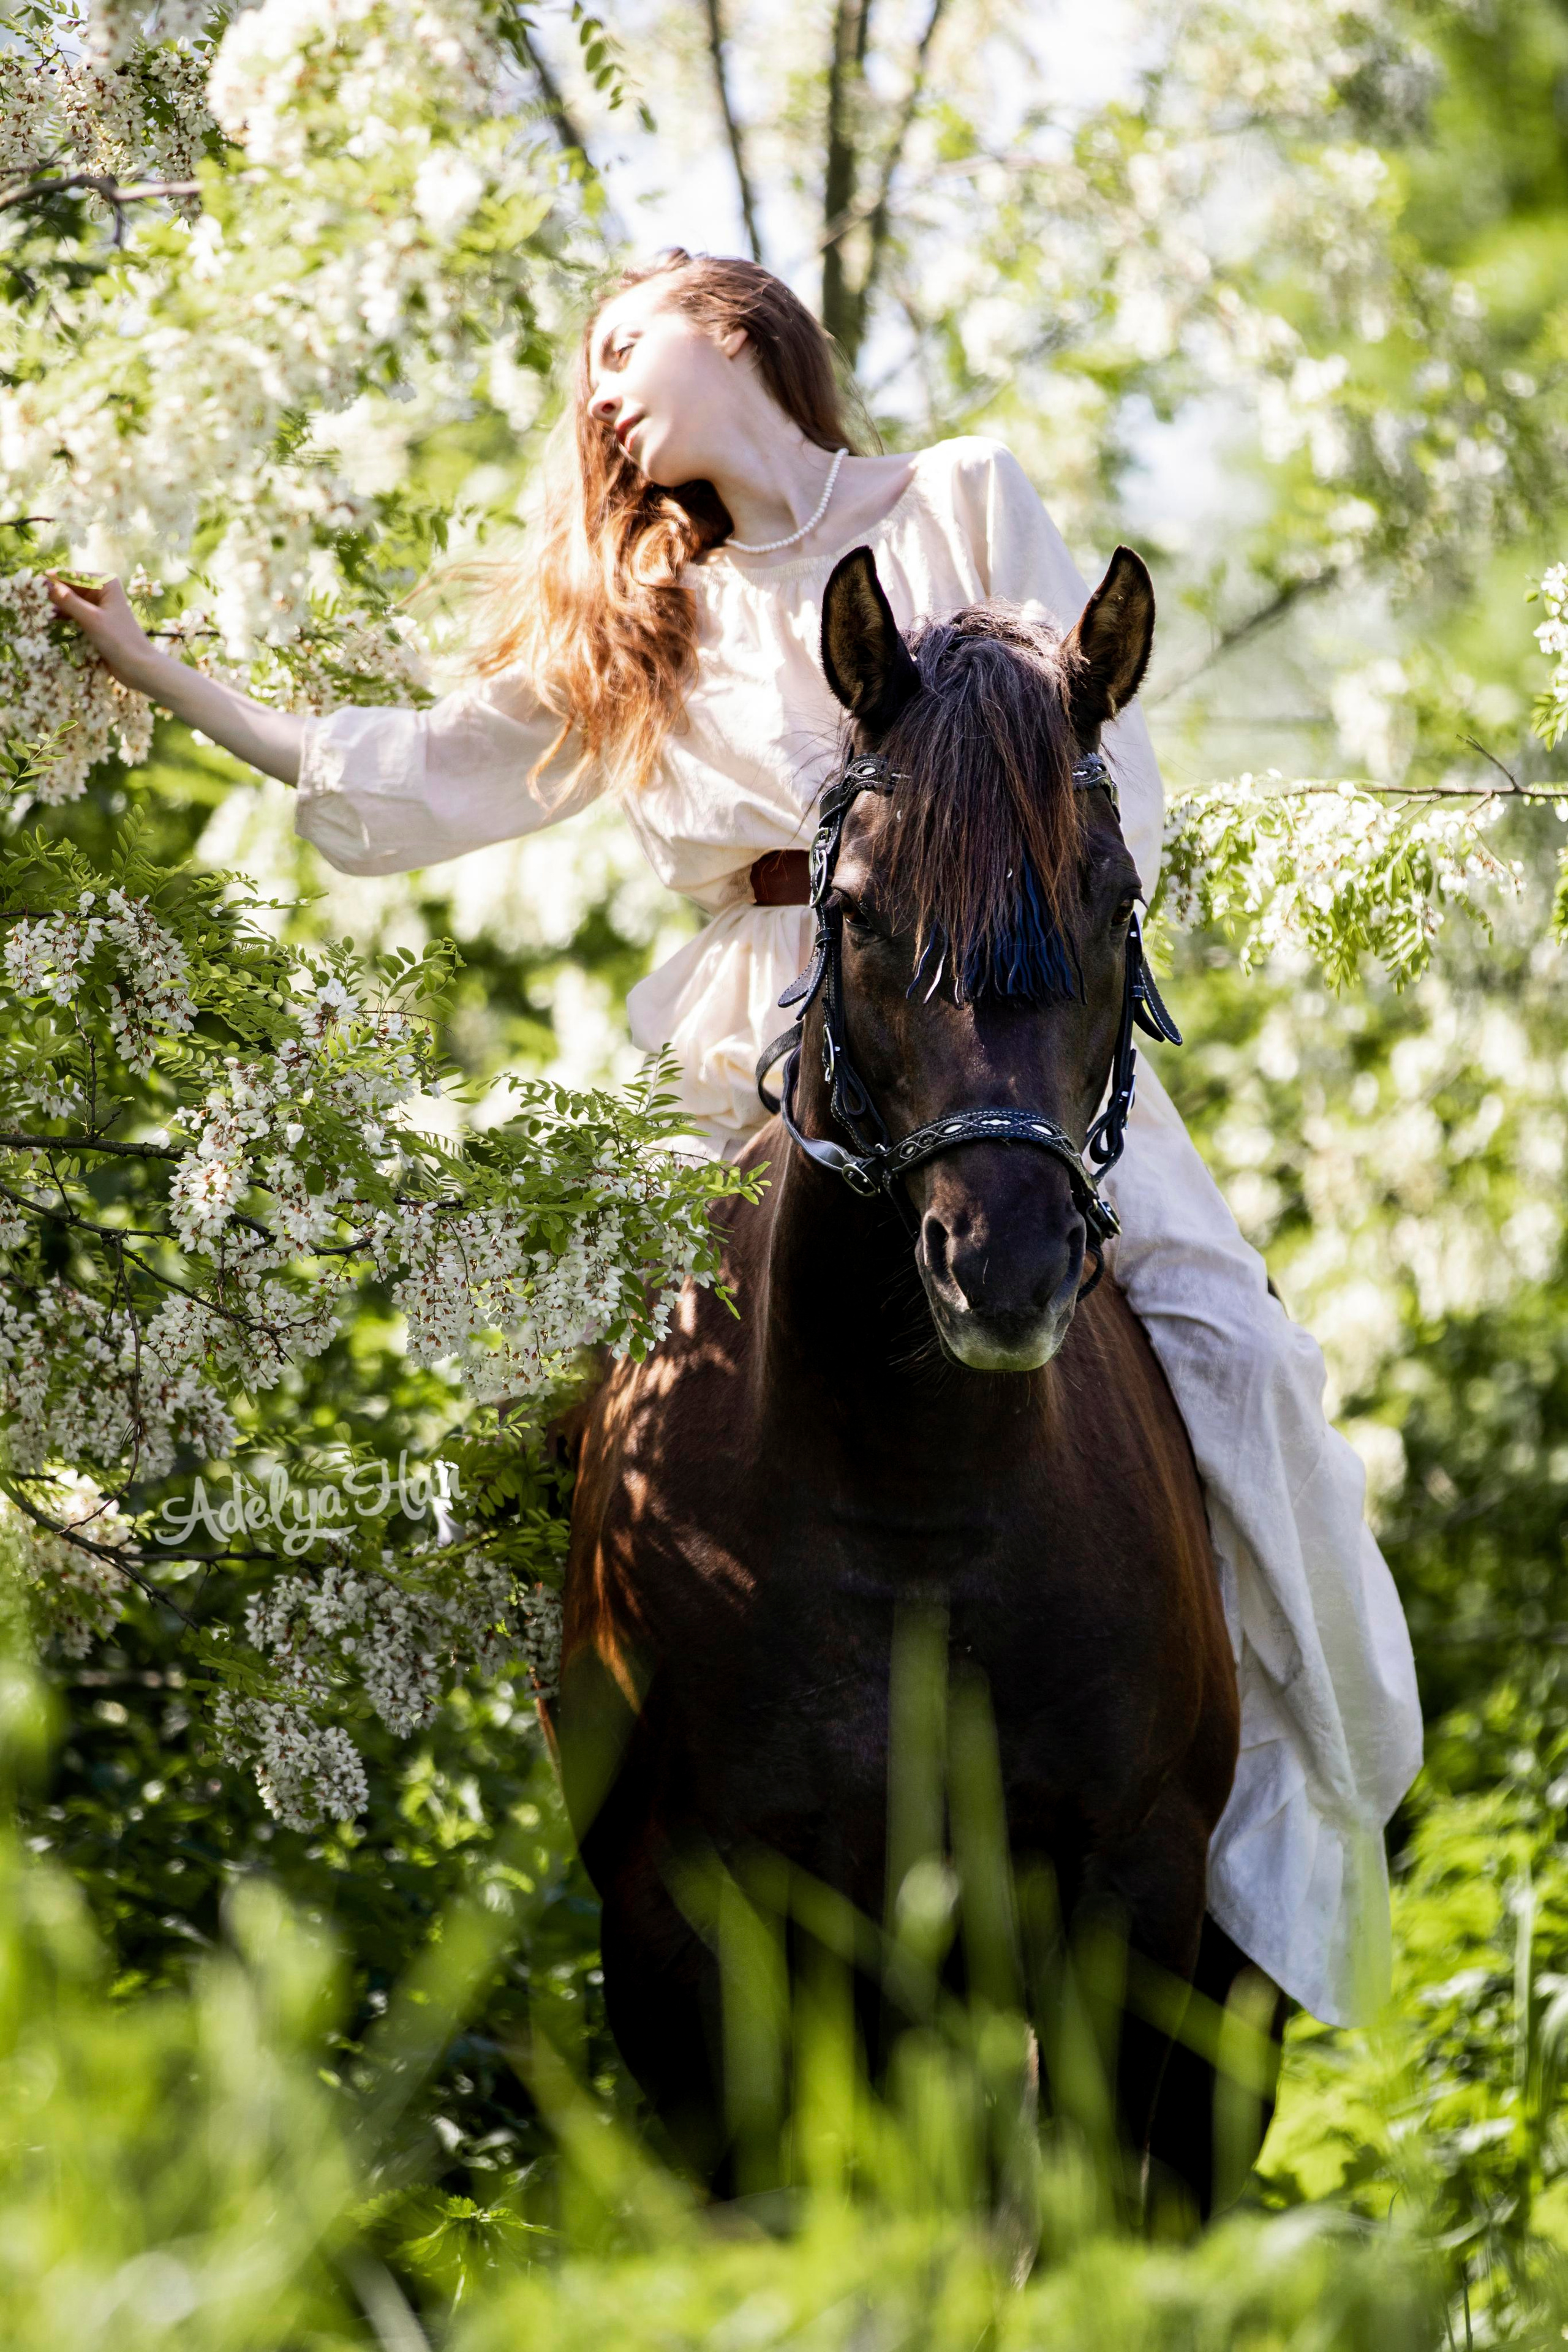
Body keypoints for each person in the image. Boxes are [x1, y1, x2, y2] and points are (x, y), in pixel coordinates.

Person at [47, 246, 1422, 2035]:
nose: (602, 394)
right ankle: (628, 1780)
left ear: (736, 327)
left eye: (624, 345)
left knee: (1237, 1345)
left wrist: (1035, 982)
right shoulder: (649, 613)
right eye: (590, 373)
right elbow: (419, 771)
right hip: (739, 1044)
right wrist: (156, 671)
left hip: (984, 1013)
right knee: (555, 1388)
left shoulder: (961, 496)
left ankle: (1291, 1786)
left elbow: (1093, 762)